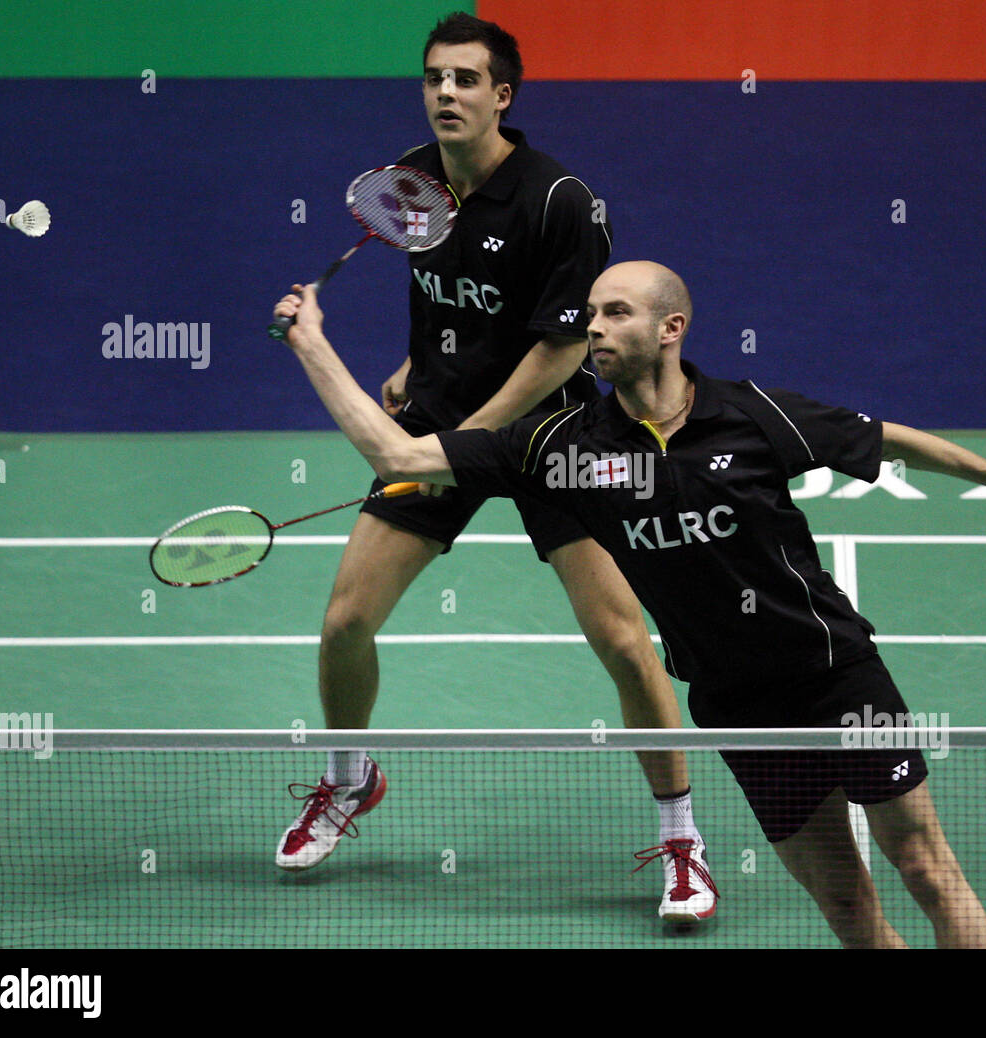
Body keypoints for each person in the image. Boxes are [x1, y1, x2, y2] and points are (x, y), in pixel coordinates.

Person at [273, 259, 986, 947]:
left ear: (671, 327)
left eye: (615, 312)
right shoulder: (565, 449)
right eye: (589, 314)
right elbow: (396, 452)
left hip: (835, 678)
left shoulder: (752, 414)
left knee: (925, 869)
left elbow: (888, 439)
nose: (593, 327)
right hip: (734, 707)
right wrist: (309, 342)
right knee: (846, 905)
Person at [275, 15, 717, 923]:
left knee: (625, 645)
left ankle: (682, 841)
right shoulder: (415, 174)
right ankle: (348, 779)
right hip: (442, 417)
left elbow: (562, 350)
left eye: (467, 80)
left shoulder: (560, 203)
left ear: (502, 96)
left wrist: (463, 446)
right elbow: (438, 293)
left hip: (552, 437)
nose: (446, 93)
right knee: (346, 621)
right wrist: (415, 369)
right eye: (435, 77)